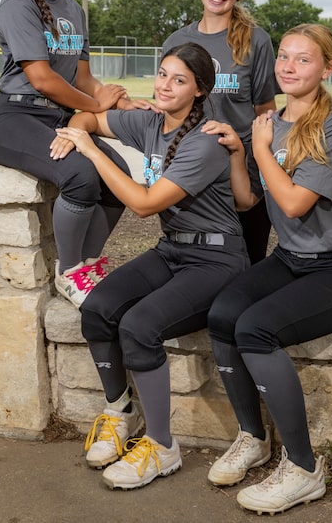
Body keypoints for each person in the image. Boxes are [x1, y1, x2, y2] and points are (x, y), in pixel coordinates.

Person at [53, 42, 250, 490]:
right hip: (173, 249)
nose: (164, 85)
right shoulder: (150, 120)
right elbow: (88, 119)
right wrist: (74, 131)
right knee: (98, 307)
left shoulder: (206, 142)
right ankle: (121, 410)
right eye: (162, 74)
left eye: (179, 80)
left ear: (200, 91)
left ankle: (162, 446)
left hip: (216, 259)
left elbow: (143, 205)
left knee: (139, 325)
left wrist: (92, 150)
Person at [201, 24, 332, 514]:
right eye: (284, 56)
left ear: (326, 68)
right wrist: (240, 154)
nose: (289, 66)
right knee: (222, 313)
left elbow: (296, 203)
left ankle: (303, 467)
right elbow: (250, 199)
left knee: (255, 329)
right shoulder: (267, 124)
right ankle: (253, 438)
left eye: (304, 59)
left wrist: (256, 149)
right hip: (291, 260)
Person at [0, 0, 144, 308]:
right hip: (16, 117)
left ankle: (88, 264)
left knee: (118, 175)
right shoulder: (16, 4)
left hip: (57, 116)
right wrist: (94, 107)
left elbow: (85, 78)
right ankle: (69, 274)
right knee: (79, 175)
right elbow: (42, 79)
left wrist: (122, 102)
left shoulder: (73, 9)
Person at [162, 0, 280, 264]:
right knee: (195, 258)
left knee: (248, 259)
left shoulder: (257, 41)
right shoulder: (177, 41)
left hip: (241, 167)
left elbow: (265, 110)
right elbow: (168, 107)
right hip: (192, 164)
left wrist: (264, 163)